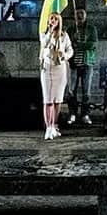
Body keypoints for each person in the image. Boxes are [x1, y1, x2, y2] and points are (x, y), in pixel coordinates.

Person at [39, 12, 74, 140]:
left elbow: (70, 50)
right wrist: (50, 32)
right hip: (48, 68)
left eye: (56, 19)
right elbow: (44, 44)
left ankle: (54, 124)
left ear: (59, 21)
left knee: (57, 100)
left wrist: (64, 55)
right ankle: (48, 126)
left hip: (60, 68)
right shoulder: (44, 34)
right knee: (48, 99)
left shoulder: (64, 35)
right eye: (51, 19)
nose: (53, 21)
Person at [66, 8, 98, 126]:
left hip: (87, 63)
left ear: (85, 15)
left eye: (82, 13)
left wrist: (78, 45)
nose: (79, 16)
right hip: (74, 64)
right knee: (71, 91)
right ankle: (72, 113)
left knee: (86, 91)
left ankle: (85, 114)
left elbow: (92, 44)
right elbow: (67, 45)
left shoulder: (91, 29)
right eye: (77, 13)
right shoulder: (70, 29)